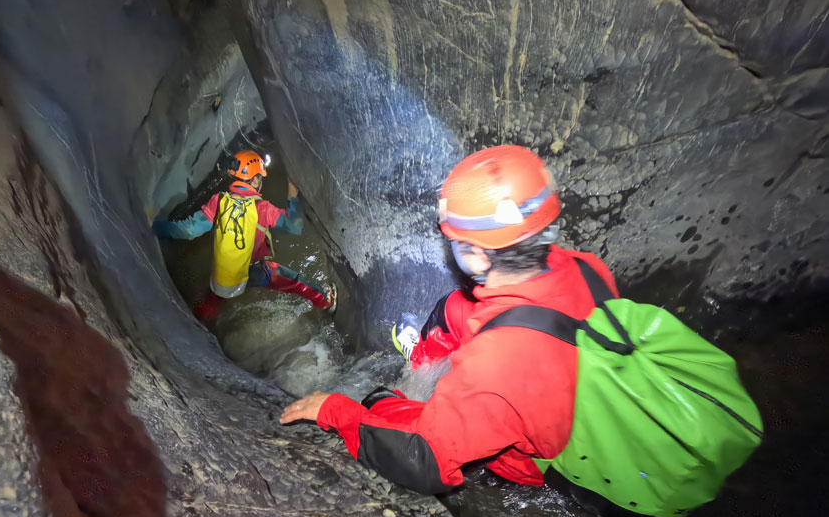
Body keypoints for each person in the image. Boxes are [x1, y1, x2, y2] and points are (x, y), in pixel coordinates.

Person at [280, 145, 618, 495]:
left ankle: (395, 397)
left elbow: (424, 459)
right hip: (551, 367)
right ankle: (420, 359)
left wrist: (335, 411)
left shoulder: (498, 364)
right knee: (454, 307)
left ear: (477, 255)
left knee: (380, 403)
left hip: (535, 455)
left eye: (457, 243)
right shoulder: (586, 266)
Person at [154, 149, 336, 320]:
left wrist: (158, 227)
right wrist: (293, 195)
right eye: (259, 178)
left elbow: (189, 230)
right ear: (255, 180)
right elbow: (293, 226)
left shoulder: (219, 201)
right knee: (295, 281)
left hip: (223, 275)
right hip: (253, 270)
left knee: (215, 294)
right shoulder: (261, 209)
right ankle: (325, 300)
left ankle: (201, 317)